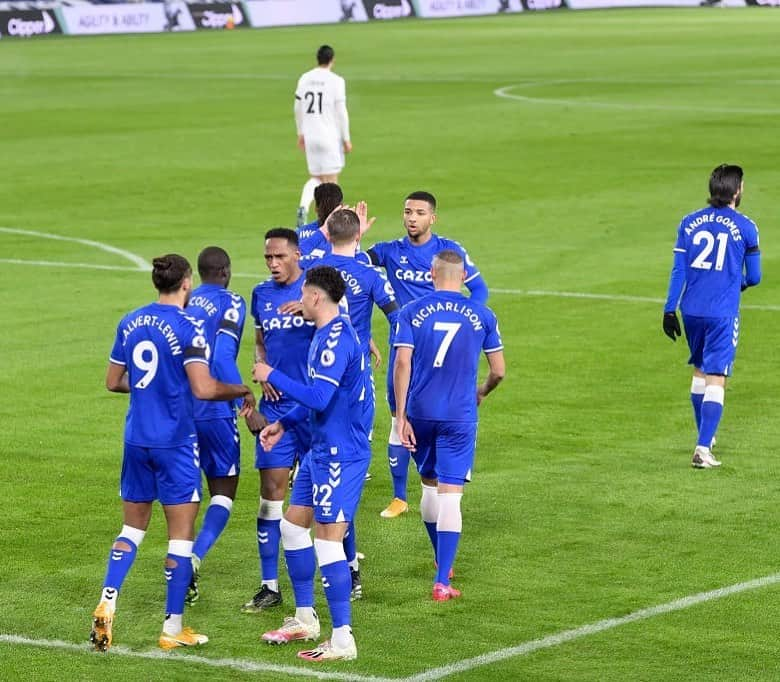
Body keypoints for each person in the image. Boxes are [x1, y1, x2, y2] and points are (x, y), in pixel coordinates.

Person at [90, 254, 255, 652]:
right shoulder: (189, 326)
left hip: (136, 439)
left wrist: (151, 388)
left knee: (132, 529)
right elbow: (204, 389)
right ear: (186, 284)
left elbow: (114, 381)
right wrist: (243, 392)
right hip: (175, 443)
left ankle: (107, 601)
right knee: (180, 539)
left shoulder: (129, 320)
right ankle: (172, 627)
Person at [254, 266, 369, 662]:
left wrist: (272, 374)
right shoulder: (326, 332)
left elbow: (320, 397)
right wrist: (283, 424)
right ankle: (305, 618)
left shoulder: (335, 338)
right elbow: (324, 400)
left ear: (316, 297)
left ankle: (342, 640)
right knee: (291, 527)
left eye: (304, 294)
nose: (300, 300)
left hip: (341, 453)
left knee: (328, 542)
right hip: (321, 447)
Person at [366, 191, 489, 519]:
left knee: (439, 415)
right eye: (407, 211)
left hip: (439, 351)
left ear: (432, 218)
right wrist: (353, 235)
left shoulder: (449, 251)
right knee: (398, 419)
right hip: (404, 348)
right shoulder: (390, 252)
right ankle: (399, 497)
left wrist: (465, 322)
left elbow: (480, 289)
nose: (412, 218)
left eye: (420, 212)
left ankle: (435, 487)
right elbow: (352, 268)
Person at [393, 249, 505, 600]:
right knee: (451, 494)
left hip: (420, 411)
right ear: (463, 276)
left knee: (428, 487)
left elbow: (401, 365)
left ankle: (441, 556)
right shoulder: (483, 315)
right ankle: (442, 580)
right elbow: (499, 370)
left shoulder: (411, 312)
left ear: (432, 273)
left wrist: (401, 415)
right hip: (459, 414)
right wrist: (482, 391)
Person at [308, 207, 401, 597]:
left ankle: (343, 565)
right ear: (358, 236)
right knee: (347, 477)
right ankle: (349, 568)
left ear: (327, 232)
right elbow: (398, 315)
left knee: (324, 474)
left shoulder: (313, 269)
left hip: (320, 374)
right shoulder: (368, 273)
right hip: (356, 381)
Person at [663, 164, 761, 468]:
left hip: (690, 309)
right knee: (717, 376)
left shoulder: (689, 222)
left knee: (699, 371)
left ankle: (705, 433)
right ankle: (703, 449)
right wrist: (735, 283)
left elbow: (679, 269)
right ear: (736, 190)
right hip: (721, 313)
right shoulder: (746, 227)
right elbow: (754, 277)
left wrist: (669, 308)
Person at [243, 228, 315, 613]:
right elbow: (259, 339)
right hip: (276, 408)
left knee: (326, 495)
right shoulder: (261, 294)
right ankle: (269, 585)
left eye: (279, 257)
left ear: (297, 255)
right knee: (270, 496)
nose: (273, 264)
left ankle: (348, 567)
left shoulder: (315, 290)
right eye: (268, 257)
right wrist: (263, 365)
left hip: (315, 408)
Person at [184, 247, 247, 606]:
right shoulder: (231, 301)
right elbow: (222, 357)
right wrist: (242, 401)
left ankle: (180, 555)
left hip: (180, 411)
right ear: (225, 271)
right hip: (215, 410)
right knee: (223, 491)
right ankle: (193, 557)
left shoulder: (183, 301)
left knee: (186, 494)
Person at [294, 45, 351, 228]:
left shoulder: (305, 78)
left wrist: (300, 132)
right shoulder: (336, 81)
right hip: (328, 136)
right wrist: (346, 138)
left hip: (310, 135)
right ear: (332, 60)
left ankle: (303, 206)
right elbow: (341, 111)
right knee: (331, 182)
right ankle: (334, 225)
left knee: (316, 178)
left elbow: (297, 107)